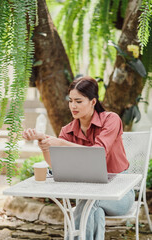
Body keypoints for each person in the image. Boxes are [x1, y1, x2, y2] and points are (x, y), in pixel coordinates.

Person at [22, 76, 135, 240]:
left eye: (79, 101)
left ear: (93, 102)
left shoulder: (111, 120)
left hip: (120, 192)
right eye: (70, 101)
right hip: (88, 192)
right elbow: (56, 165)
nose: (73, 106)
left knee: (90, 202)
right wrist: (44, 145)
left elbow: (98, 152)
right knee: (94, 210)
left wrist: (61, 143)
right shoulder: (67, 130)